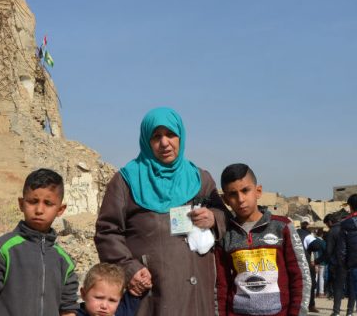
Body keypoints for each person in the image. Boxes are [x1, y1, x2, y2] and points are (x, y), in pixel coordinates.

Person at [95, 107, 227, 316]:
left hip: (196, 296)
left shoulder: (200, 178)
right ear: (146, 141)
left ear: (180, 137)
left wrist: (213, 218)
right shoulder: (126, 181)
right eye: (156, 136)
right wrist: (130, 269)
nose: (164, 143)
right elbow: (107, 232)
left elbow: (222, 214)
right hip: (153, 294)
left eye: (170, 134)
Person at [0, 168, 79, 316]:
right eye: (33, 201)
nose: (39, 209)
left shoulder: (64, 261)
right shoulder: (0, 250)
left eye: (48, 203)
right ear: (21, 203)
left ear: (60, 209)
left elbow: (68, 307)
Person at [214, 163, 308, 316]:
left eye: (245, 190)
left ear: (258, 191)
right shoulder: (225, 234)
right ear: (225, 199)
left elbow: (300, 278)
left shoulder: (282, 227)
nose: (241, 199)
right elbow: (221, 286)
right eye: (233, 194)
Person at [76, 263, 141, 316]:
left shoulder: (121, 313)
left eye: (112, 300)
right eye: (99, 298)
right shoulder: (72, 313)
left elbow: (134, 292)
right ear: (83, 294)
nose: (104, 306)